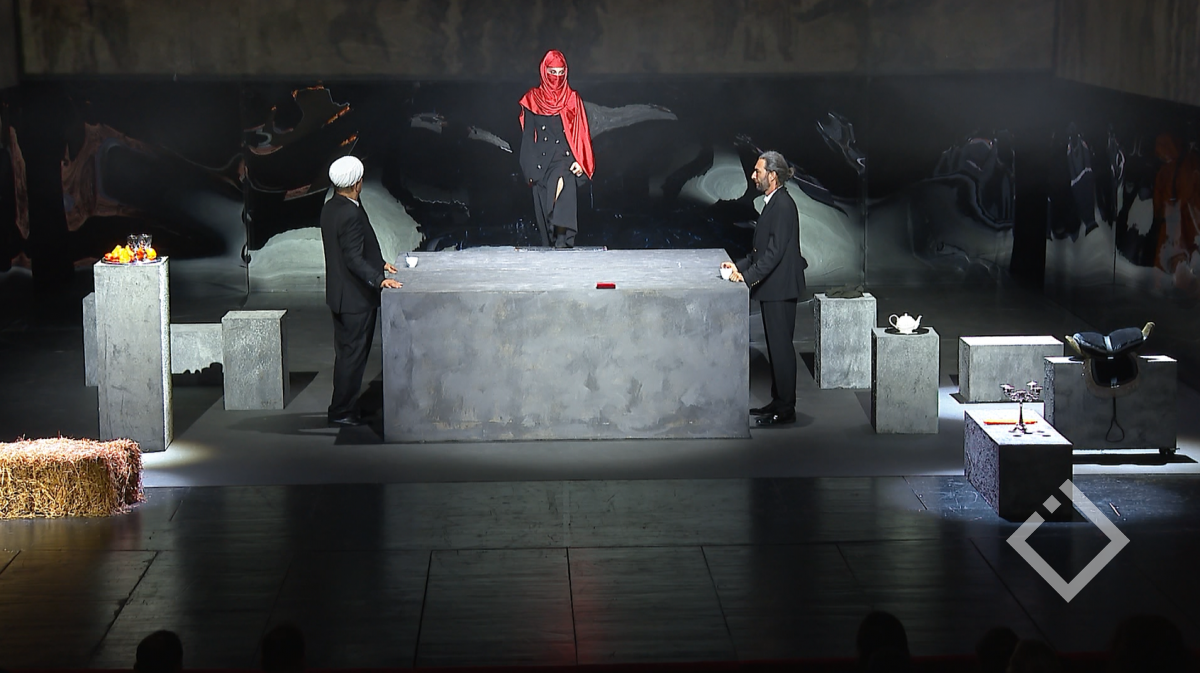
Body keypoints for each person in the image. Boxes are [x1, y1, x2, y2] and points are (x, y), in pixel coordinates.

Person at [722, 150, 807, 426]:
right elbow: (760, 251)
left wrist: (746, 277)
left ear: (772, 175)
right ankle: (778, 401)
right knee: (776, 348)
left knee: (781, 350)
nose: (753, 176)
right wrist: (738, 266)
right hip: (774, 288)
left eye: (757, 171)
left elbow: (774, 254)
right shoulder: (774, 203)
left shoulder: (782, 206)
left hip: (780, 289)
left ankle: (786, 409)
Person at [320, 155, 403, 427]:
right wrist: (379, 280)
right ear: (357, 184)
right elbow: (353, 259)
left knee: (347, 355)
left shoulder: (332, 207)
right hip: (355, 300)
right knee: (352, 358)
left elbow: (356, 247)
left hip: (341, 296)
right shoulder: (350, 213)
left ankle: (342, 406)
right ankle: (341, 411)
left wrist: (380, 263)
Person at [519, 49, 594, 248]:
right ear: (544, 72)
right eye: (553, 72)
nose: (557, 77)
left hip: (564, 159)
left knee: (561, 186)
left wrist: (581, 161)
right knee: (545, 217)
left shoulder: (572, 98)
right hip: (541, 162)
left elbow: (581, 132)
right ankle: (556, 245)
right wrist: (529, 170)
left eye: (561, 72)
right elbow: (528, 137)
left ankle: (563, 241)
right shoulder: (532, 99)